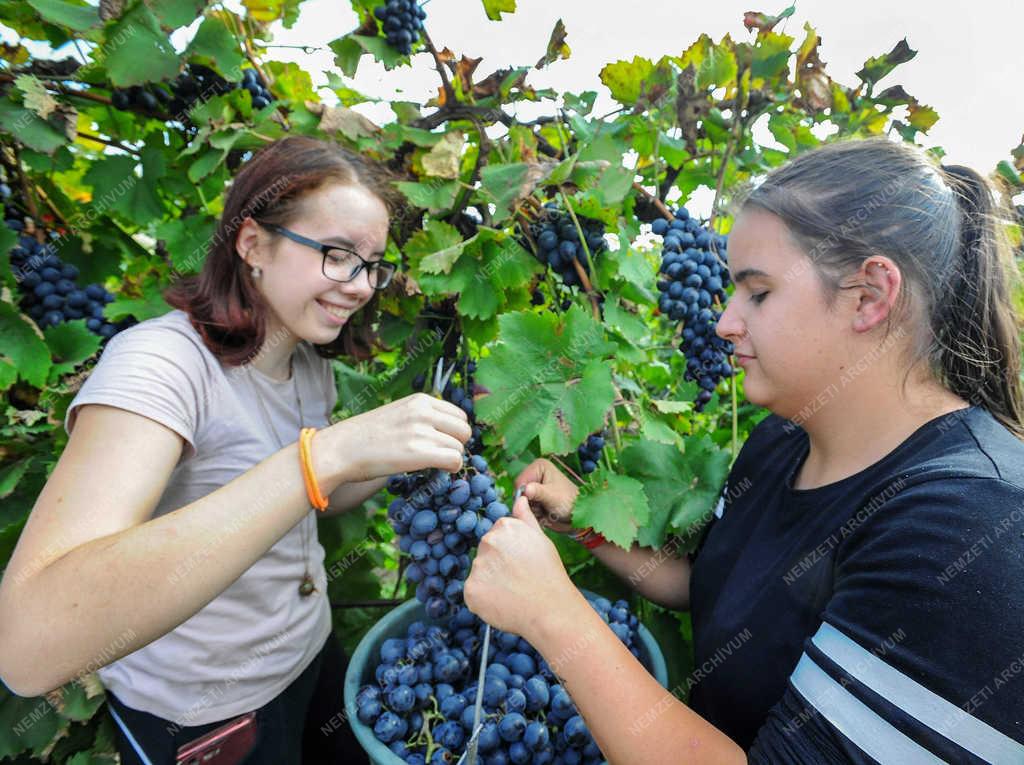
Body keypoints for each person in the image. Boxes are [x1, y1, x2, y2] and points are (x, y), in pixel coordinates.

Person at [464, 137, 1024, 764]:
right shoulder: (785, 438)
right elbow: (716, 587)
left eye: (757, 293)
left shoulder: (973, 524)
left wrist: (553, 615)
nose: (724, 321)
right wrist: (590, 531)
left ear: (868, 296)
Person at [0, 136, 472, 764]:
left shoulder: (306, 366)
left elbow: (307, 503)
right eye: (338, 255)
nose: (361, 286)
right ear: (252, 244)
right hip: (204, 712)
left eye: (374, 264)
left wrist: (389, 457)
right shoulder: (161, 365)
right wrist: (323, 456)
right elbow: (27, 647)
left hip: (306, 655)